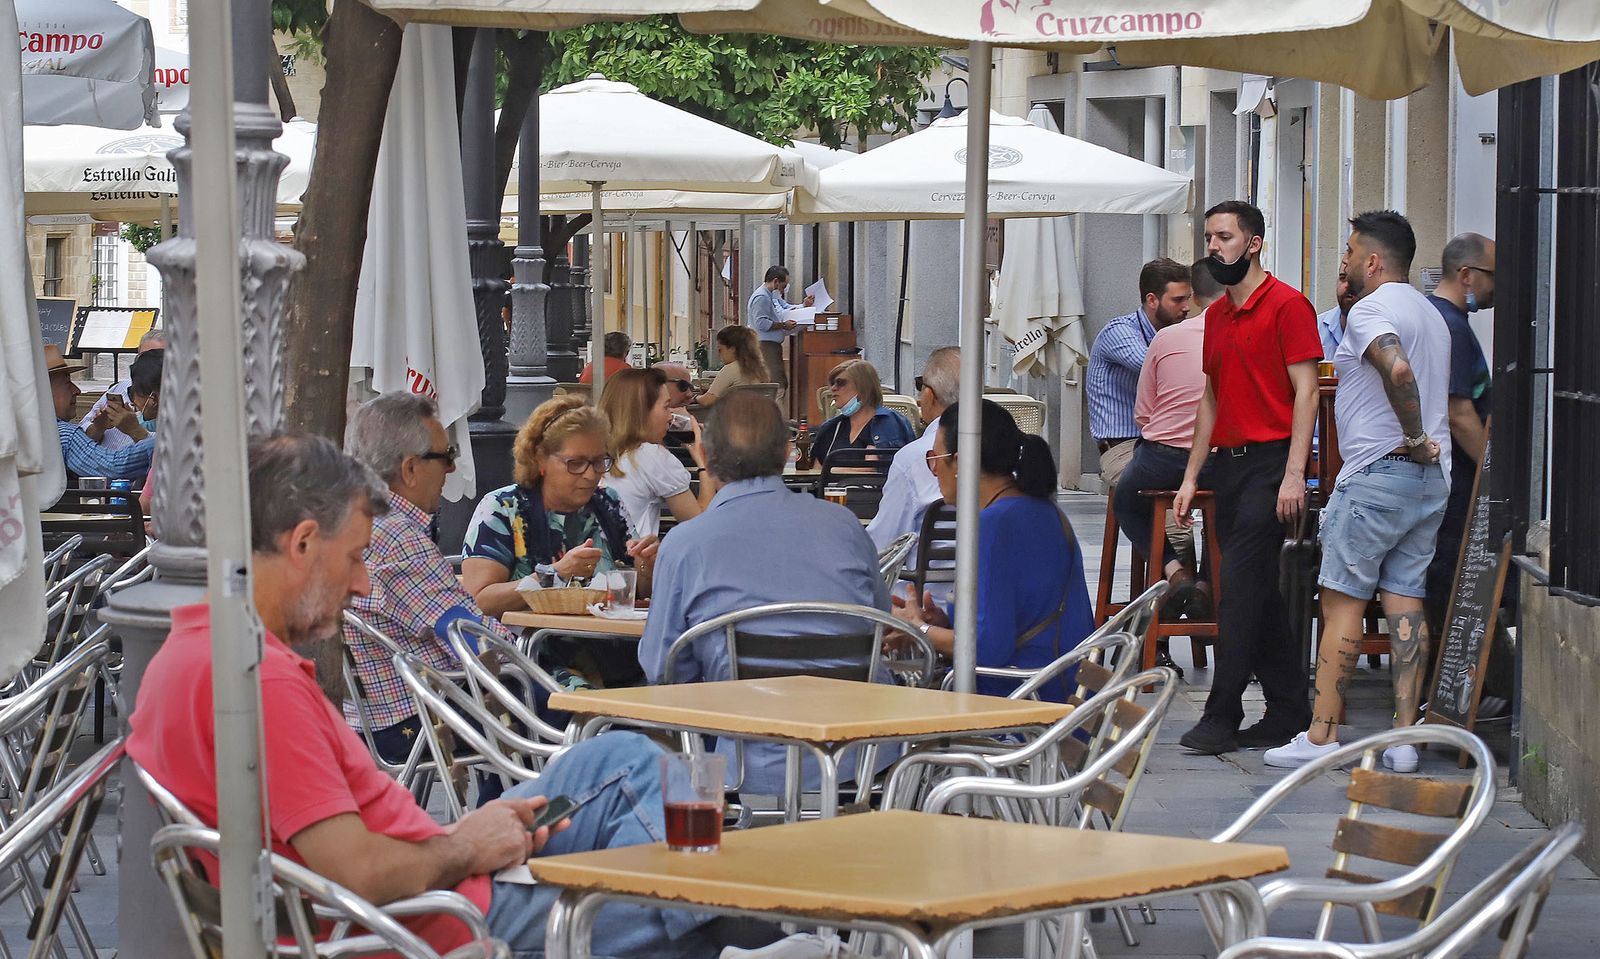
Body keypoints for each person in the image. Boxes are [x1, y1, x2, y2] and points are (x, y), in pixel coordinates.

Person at [126, 432, 769, 959]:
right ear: (300, 545)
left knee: (617, 760)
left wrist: (463, 832)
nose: (359, 586)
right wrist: (467, 846)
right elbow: (361, 874)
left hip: (417, 880)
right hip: (436, 922)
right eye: (354, 559)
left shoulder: (187, 653)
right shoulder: (257, 682)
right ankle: (740, 922)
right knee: (661, 855)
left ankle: (725, 920)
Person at [1265, 211, 1450, 773]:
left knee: (1341, 594)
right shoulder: (1434, 314)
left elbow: (1395, 370)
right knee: (1404, 598)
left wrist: (1413, 436)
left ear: (1373, 261)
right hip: (1428, 484)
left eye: (1347, 252)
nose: (1342, 261)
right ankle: (1402, 738)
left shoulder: (1372, 309)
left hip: (1378, 472)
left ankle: (1322, 735)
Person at [637, 392, 888, 795]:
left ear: (706, 454)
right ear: (786, 451)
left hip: (739, 768)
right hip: (860, 762)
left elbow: (664, 671)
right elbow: (879, 624)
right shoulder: (845, 526)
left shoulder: (685, 544)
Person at [1172, 200, 1321, 756]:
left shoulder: (1288, 306)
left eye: (1225, 237)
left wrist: (1293, 476)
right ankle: (1287, 709)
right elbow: (1208, 398)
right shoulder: (1215, 316)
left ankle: (1222, 713)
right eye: (1210, 238)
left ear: (1253, 242)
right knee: (1255, 591)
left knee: (1235, 588)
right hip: (1229, 467)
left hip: (1271, 461)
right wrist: (1191, 477)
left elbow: (1306, 393)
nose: (1214, 247)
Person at [342, 392, 522, 765]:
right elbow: (471, 638)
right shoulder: (398, 539)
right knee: (566, 703)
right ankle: (519, 807)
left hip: (373, 717)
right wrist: (525, 648)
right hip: (418, 718)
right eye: (445, 457)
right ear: (409, 469)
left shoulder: (352, 523)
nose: (451, 468)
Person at [892, 399, 1094, 702]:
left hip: (1025, 700)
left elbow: (987, 650)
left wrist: (918, 628)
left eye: (935, 458)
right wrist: (943, 624)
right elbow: (1014, 618)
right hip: (1064, 688)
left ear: (961, 462)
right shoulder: (1043, 510)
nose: (934, 471)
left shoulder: (993, 525)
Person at [461, 396, 657, 619]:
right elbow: (479, 601)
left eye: (598, 461)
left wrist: (646, 566)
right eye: (576, 463)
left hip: (609, 643)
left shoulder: (607, 502)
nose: (591, 474)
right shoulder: (502, 507)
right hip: (528, 647)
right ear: (539, 459)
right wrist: (555, 573)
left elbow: (637, 594)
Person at [1113, 262, 1211, 613]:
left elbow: (1144, 411)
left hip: (1162, 458)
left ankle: (1175, 572)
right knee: (1233, 510)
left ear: (1196, 298)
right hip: (1221, 459)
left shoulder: (1166, 338)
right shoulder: (1240, 337)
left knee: (1125, 500)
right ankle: (1207, 583)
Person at [1424, 233, 1494, 640]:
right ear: (1466, 275)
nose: (1496, 286)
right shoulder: (1451, 326)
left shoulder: (1441, 320)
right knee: (1451, 581)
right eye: (1492, 275)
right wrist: (1493, 470)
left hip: (1448, 478)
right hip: (1457, 483)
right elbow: (1459, 413)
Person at [1088, 258, 1194, 486]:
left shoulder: (1175, 334)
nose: (1186, 307)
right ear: (1152, 300)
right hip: (1123, 448)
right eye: (1177, 300)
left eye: (1188, 298)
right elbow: (1157, 369)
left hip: (1165, 446)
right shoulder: (1119, 332)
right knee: (1164, 509)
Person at [866, 347, 958, 567]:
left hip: (918, 593)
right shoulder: (1004, 451)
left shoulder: (914, 458)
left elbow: (883, 545)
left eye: (920, 386)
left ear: (929, 394)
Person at [598, 367, 713, 536]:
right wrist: (704, 464)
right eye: (666, 407)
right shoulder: (651, 455)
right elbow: (699, 524)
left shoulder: (591, 454)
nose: (670, 417)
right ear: (642, 412)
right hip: (633, 558)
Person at [46, 344, 153, 482]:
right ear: (45, 391)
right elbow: (113, 467)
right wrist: (158, 442)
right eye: (67, 383)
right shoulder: (64, 435)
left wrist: (98, 428)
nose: (76, 390)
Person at [811, 359, 916, 464]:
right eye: (833, 384)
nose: (833, 388)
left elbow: (868, 470)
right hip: (832, 481)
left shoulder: (888, 422)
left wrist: (830, 470)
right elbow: (816, 470)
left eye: (840, 383)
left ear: (862, 387)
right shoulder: (831, 428)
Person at [79, 327, 165, 449]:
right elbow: (83, 432)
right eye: (143, 358)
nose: (147, 366)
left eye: (157, 359)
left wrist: (136, 431)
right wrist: (99, 427)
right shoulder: (121, 388)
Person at [746, 265, 813, 403]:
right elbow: (761, 323)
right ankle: (775, 421)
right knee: (777, 385)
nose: (783, 290)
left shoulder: (771, 296)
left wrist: (803, 306)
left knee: (778, 383)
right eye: (783, 286)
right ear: (775, 282)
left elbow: (785, 307)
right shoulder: (762, 297)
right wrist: (783, 325)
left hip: (771, 345)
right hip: (765, 345)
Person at [695, 325, 769, 409]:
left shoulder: (730, 369)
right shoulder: (759, 370)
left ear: (732, 349)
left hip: (734, 419)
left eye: (720, 349)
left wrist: (695, 397)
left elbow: (707, 401)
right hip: (758, 418)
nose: (719, 355)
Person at [1316, 272, 1358, 360]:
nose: (1348, 286)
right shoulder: (1315, 328)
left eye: (1357, 280)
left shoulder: (1381, 330)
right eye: (1343, 278)